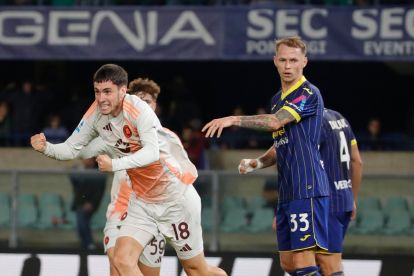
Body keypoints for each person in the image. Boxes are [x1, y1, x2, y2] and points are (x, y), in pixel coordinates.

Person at [31, 65, 226, 276]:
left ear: (122, 91)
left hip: (175, 200)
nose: (101, 98)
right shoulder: (96, 114)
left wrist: (114, 165)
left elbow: (151, 153)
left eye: (107, 92)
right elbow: (71, 148)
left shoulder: (139, 110)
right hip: (142, 203)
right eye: (97, 91)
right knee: (122, 261)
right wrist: (47, 148)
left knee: (196, 270)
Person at [203, 36, 329, 276]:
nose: (288, 65)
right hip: (287, 190)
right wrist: (257, 162)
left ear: (305, 62)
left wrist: (234, 119)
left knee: (303, 261)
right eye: (283, 60)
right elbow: (281, 143)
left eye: (293, 60)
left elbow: (274, 123)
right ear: (275, 61)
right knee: (288, 264)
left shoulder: (308, 93)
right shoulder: (276, 100)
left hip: (307, 186)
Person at [315, 108, 363, 275]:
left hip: (326, 203)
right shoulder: (339, 117)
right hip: (344, 200)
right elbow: (357, 161)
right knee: (319, 262)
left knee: (328, 265)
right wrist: (352, 197)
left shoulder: (312, 122)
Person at [69, 157, 107, 250]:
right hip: (80, 202)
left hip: (89, 204)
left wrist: (92, 203)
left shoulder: (98, 173)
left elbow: (99, 191)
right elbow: (74, 182)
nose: (85, 161)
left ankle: (89, 244)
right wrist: (77, 170)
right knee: (81, 225)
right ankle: (85, 245)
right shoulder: (80, 172)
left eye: (88, 159)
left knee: (83, 224)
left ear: (93, 161)